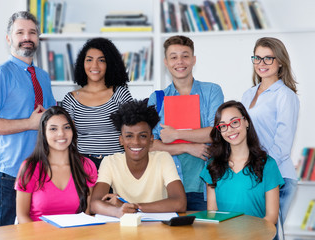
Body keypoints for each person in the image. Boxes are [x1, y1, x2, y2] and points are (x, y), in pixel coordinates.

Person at [0, 11, 56, 227]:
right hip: (10, 173)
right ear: (9, 39)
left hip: (41, 171)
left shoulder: (43, 76)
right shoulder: (0, 74)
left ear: (38, 38)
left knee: (36, 231)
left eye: (32, 32)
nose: (26, 37)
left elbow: (49, 119)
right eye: (20, 32)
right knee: (4, 232)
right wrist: (28, 124)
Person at [147, 35, 224, 211]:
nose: (179, 62)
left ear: (194, 59)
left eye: (185, 56)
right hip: (169, 188)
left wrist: (176, 135)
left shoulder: (212, 91)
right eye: (173, 57)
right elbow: (150, 144)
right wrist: (188, 147)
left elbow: (217, 132)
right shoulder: (157, 98)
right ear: (166, 62)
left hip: (204, 185)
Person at [90, 100, 186, 217]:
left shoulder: (163, 158)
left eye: (143, 136)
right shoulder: (110, 162)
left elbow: (180, 203)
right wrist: (118, 211)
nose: (136, 142)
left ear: (151, 139)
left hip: (158, 228)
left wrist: (132, 206)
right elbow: (94, 204)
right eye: (129, 136)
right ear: (121, 140)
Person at [241, 37, 299, 225]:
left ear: (280, 61)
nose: (261, 63)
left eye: (268, 58)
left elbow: (282, 145)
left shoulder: (285, 96)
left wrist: (260, 170)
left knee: (271, 234)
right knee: (253, 233)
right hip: (253, 176)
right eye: (257, 58)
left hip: (278, 177)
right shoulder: (248, 94)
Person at [200, 100, 284, 225]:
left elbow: (271, 217)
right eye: (223, 126)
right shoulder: (213, 166)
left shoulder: (267, 165)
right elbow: (213, 214)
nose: (230, 130)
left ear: (246, 122)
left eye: (234, 122)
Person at [15, 106, 97, 223]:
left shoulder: (86, 166)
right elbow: (22, 216)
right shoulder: (30, 167)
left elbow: (86, 214)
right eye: (53, 129)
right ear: (43, 132)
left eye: (66, 127)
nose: (61, 134)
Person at [62, 38, 133, 170]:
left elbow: (133, 132)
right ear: (82, 64)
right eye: (89, 60)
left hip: (117, 164)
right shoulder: (71, 99)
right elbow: (66, 139)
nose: (94, 66)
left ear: (110, 64)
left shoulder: (120, 94)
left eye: (101, 60)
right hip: (83, 165)